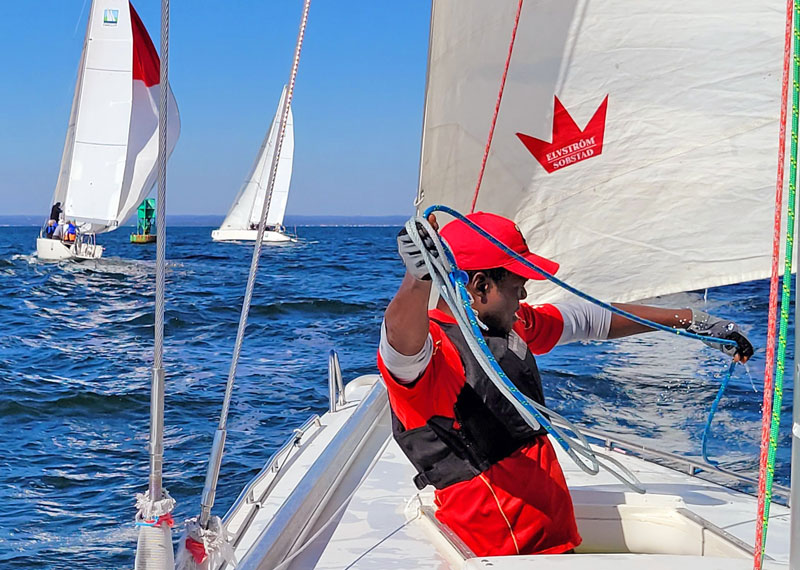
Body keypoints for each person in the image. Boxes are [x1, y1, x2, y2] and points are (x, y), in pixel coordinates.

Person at [378, 211, 753, 557]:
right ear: (480, 286)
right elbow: (399, 343)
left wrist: (691, 321)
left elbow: (593, 319)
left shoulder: (506, 326)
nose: (523, 296)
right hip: (503, 558)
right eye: (517, 284)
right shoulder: (435, 357)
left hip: (554, 546)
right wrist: (417, 279)